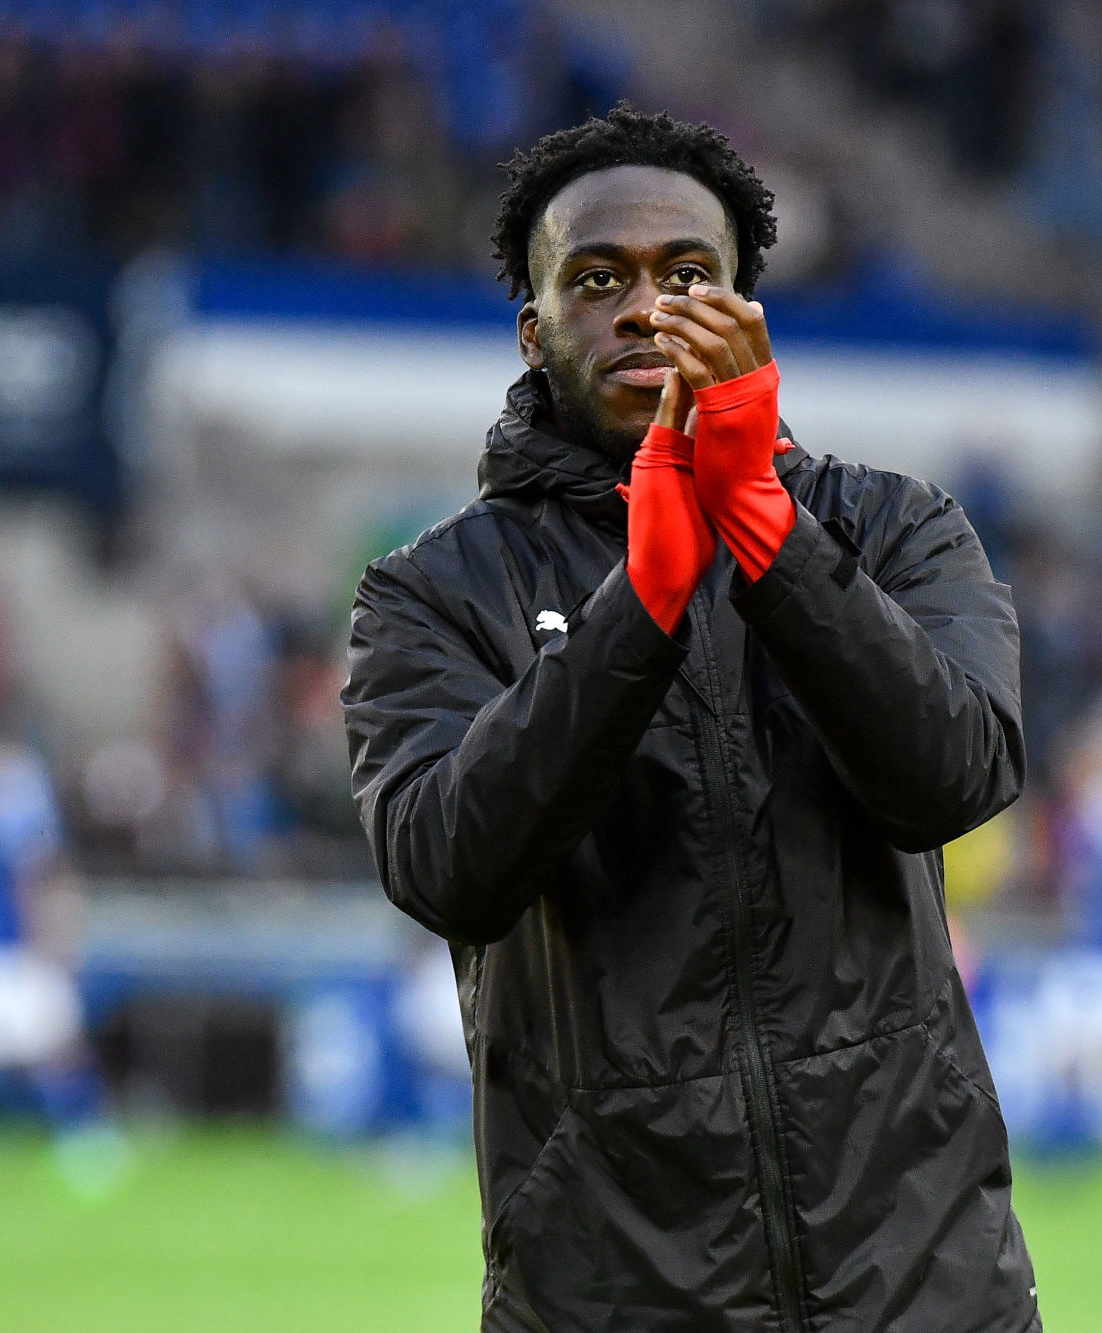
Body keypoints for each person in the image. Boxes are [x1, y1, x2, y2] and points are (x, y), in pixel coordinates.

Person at [342, 106, 1038, 1331]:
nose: (644, 310)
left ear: (745, 317)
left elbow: (955, 776)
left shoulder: (897, 529)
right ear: (532, 330)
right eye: (595, 279)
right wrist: (641, 604)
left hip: (919, 1285)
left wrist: (766, 532)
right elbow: (445, 867)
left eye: (686, 276)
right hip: (608, 1292)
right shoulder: (431, 593)